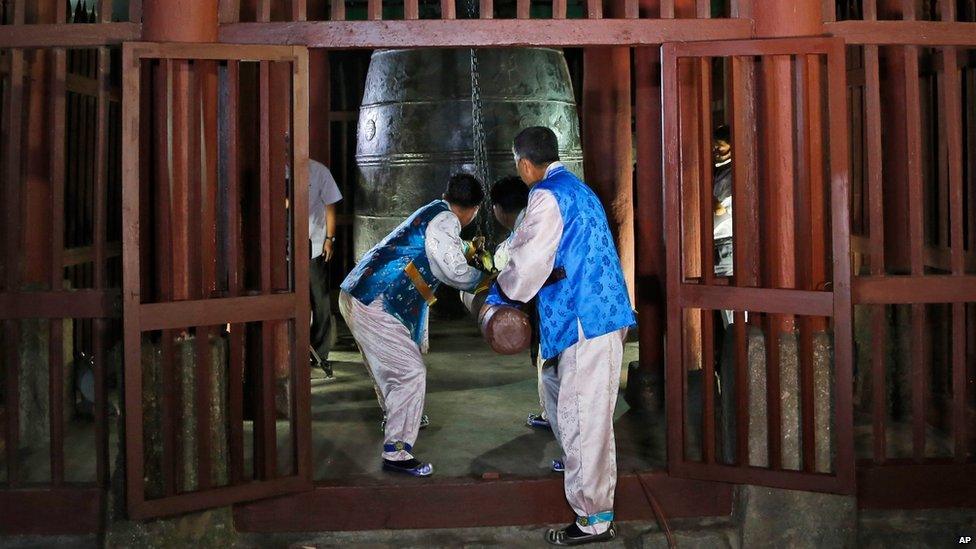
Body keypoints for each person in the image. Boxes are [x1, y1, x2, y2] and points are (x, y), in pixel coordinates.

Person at [486, 127, 635, 546]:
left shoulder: (546, 195)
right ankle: (596, 509)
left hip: (584, 319)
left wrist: (502, 292)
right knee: (586, 418)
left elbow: (530, 260)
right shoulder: (579, 190)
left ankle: (593, 520)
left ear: (523, 162)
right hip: (599, 315)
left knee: (583, 421)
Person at [339, 173, 492, 477]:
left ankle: (396, 416)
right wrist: (487, 280)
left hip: (359, 294)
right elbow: (453, 271)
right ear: (474, 209)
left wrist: (469, 251)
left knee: (390, 366)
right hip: (375, 301)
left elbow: (441, 248)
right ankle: (396, 451)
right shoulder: (446, 221)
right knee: (409, 372)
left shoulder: (434, 211)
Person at [489, 177, 555, 437]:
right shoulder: (536, 215)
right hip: (562, 303)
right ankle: (552, 417)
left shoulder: (526, 226)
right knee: (550, 363)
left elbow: (508, 259)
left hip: (555, 304)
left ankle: (558, 423)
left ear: (498, 209)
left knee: (551, 365)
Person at [309, 158, 343, 378]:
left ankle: (319, 353)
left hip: (313, 244)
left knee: (319, 300)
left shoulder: (318, 171)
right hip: (283, 246)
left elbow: (330, 205)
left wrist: (330, 238)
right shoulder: (275, 167)